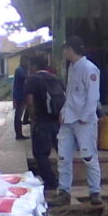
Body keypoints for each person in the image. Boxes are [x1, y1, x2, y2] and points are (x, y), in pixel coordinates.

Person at [50, 36, 102, 205]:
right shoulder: (72, 68)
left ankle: (95, 192)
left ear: (70, 49)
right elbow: (71, 94)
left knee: (88, 157)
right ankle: (64, 192)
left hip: (83, 121)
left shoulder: (89, 69)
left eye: (65, 48)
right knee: (64, 157)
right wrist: (64, 112)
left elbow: (93, 97)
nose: (64, 52)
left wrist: (85, 118)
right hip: (68, 120)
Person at [24, 55, 62, 195]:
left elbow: (29, 100)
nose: (28, 68)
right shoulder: (56, 78)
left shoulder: (32, 80)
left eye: (29, 65)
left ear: (34, 66)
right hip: (56, 121)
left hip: (42, 121)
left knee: (41, 153)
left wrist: (33, 118)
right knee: (61, 152)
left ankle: (50, 183)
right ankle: (64, 181)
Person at [12, 55, 29, 140]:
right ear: (22, 61)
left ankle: (19, 134)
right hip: (19, 96)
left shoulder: (23, 70)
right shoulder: (20, 70)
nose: (27, 63)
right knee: (18, 116)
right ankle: (19, 135)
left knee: (19, 116)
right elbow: (27, 78)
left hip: (21, 96)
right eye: (26, 61)